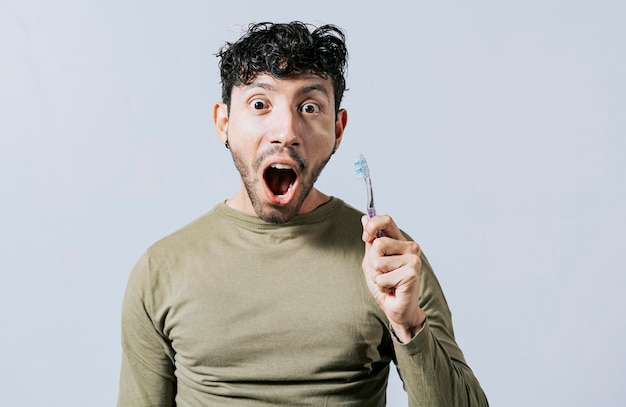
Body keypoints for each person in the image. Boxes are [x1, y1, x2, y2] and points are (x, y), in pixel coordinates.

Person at [117, 21, 489, 406]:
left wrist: (409, 324)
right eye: (260, 104)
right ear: (223, 122)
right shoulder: (160, 270)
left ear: (338, 130)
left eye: (309, 107)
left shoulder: (390, 264)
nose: (286, 131)